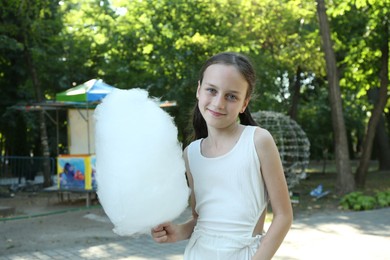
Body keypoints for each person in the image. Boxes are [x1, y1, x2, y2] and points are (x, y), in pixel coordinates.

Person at [151, 52, 293, 260]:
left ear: (244, 103)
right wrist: (178, 231)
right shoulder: (191, 154)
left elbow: (283, 216)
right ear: (199, 90)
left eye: (232, 96)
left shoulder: (258, 141)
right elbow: (201, 218)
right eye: (211, 90)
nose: (219, 103)